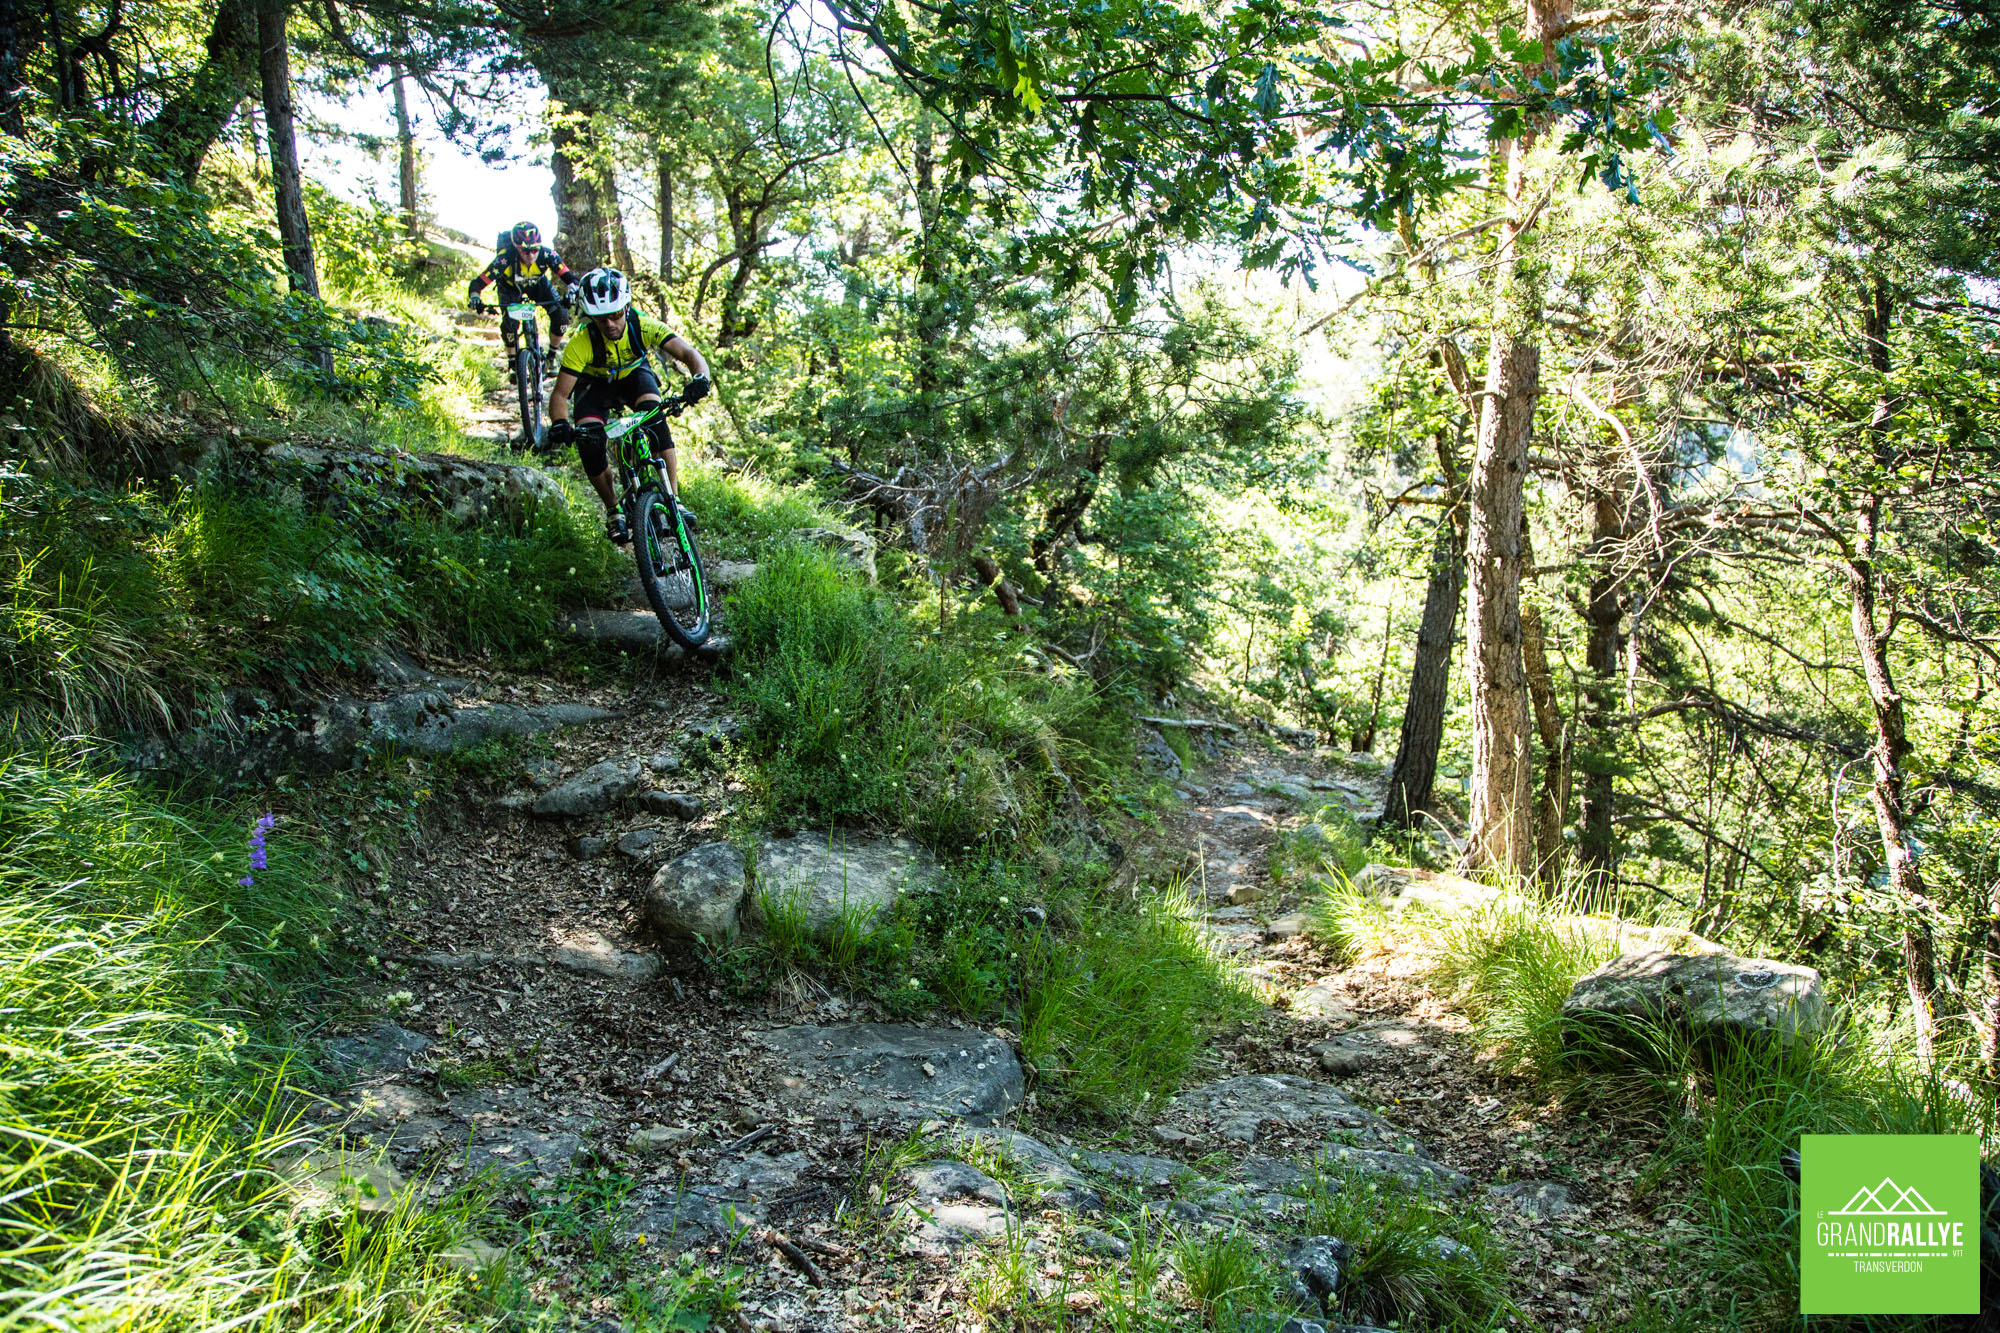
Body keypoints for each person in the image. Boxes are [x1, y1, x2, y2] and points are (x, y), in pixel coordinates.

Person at [544, 268, 711, 545]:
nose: (610, 323)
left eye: (615, 314)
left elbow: (689, 354)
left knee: (655, 419)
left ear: (626, 307)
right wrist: (560, 423)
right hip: (595, 384)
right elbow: (561, 395)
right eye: (601, 319)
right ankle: (613, 510)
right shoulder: (581, 343)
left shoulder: (643, 325)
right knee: (589, 443)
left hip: (635, 376)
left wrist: (700, 379)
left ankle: (674, 499)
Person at [467, 221, 575, 380]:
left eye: (534, 250)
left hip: (537, 285)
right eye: (525, 251)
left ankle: (551, 358)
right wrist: (475, 298)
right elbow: (477, 283)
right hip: (510, 287)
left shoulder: (547, 255)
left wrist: (572, 292)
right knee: (510, 323)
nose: (531, 255)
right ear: (516, 248)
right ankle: (512, 363)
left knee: (562, 316)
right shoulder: (505, 259)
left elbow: (570, 279)